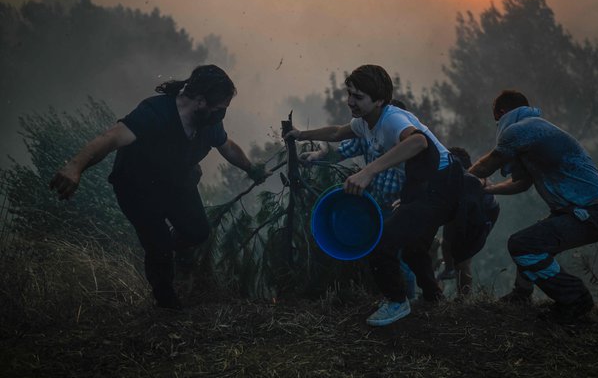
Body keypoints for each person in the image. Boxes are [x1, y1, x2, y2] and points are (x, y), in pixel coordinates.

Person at [50, 65, 270, 310]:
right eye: (219, 108)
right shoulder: (154, 113)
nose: (222, 115)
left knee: (197, 231)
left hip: (177, 183)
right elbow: (110, 138)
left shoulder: (209, 122)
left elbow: (226, 146)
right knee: (159, 244)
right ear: (199, 100)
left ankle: (159, 251)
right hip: (137, 189)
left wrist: (251, 169)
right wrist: (74, 167)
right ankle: (166, 303)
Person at [286, 64, 463, 326]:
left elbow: (418, 142)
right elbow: (337, 132)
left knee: (382, 242)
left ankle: (396, 302)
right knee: (414, 248)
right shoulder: (363, 123)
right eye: (349, 94)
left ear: (379, 100)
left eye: (358, 97)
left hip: (442, 182)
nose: (350, 102)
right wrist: (301, 135)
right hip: (422, 185)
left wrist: (368, 172)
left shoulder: (391, 119)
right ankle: (433, 298)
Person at [468, 90, 598, 322]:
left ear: (500, 112)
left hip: (591, 214)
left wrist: (458, 180)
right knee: (532, 239)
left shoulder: (521, 129)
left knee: (523, 244)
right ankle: (522, 294)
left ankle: (575, 298)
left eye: (496, 118)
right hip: (582, 212)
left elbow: (485, 167)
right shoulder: (535, 130)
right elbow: (522, 183)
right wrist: (489, 189)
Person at [308, 98, 416, 300]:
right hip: (375, 209)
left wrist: (409, 201)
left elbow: (422, 179)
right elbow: (340, 150)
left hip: (400, 209)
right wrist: (318, 155)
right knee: (378, 258)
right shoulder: (370, 135)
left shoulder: (409, 144)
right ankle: (387, 298)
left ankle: (409, 302)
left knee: (400, 260)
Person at [438, 147, 500, 297]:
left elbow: (472, 216)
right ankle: (449, 269)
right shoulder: (455, 178)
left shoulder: (473, 181)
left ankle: (463, 298)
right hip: (462, 212)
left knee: (463, 260)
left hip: (480, 219)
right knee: (445, 243)